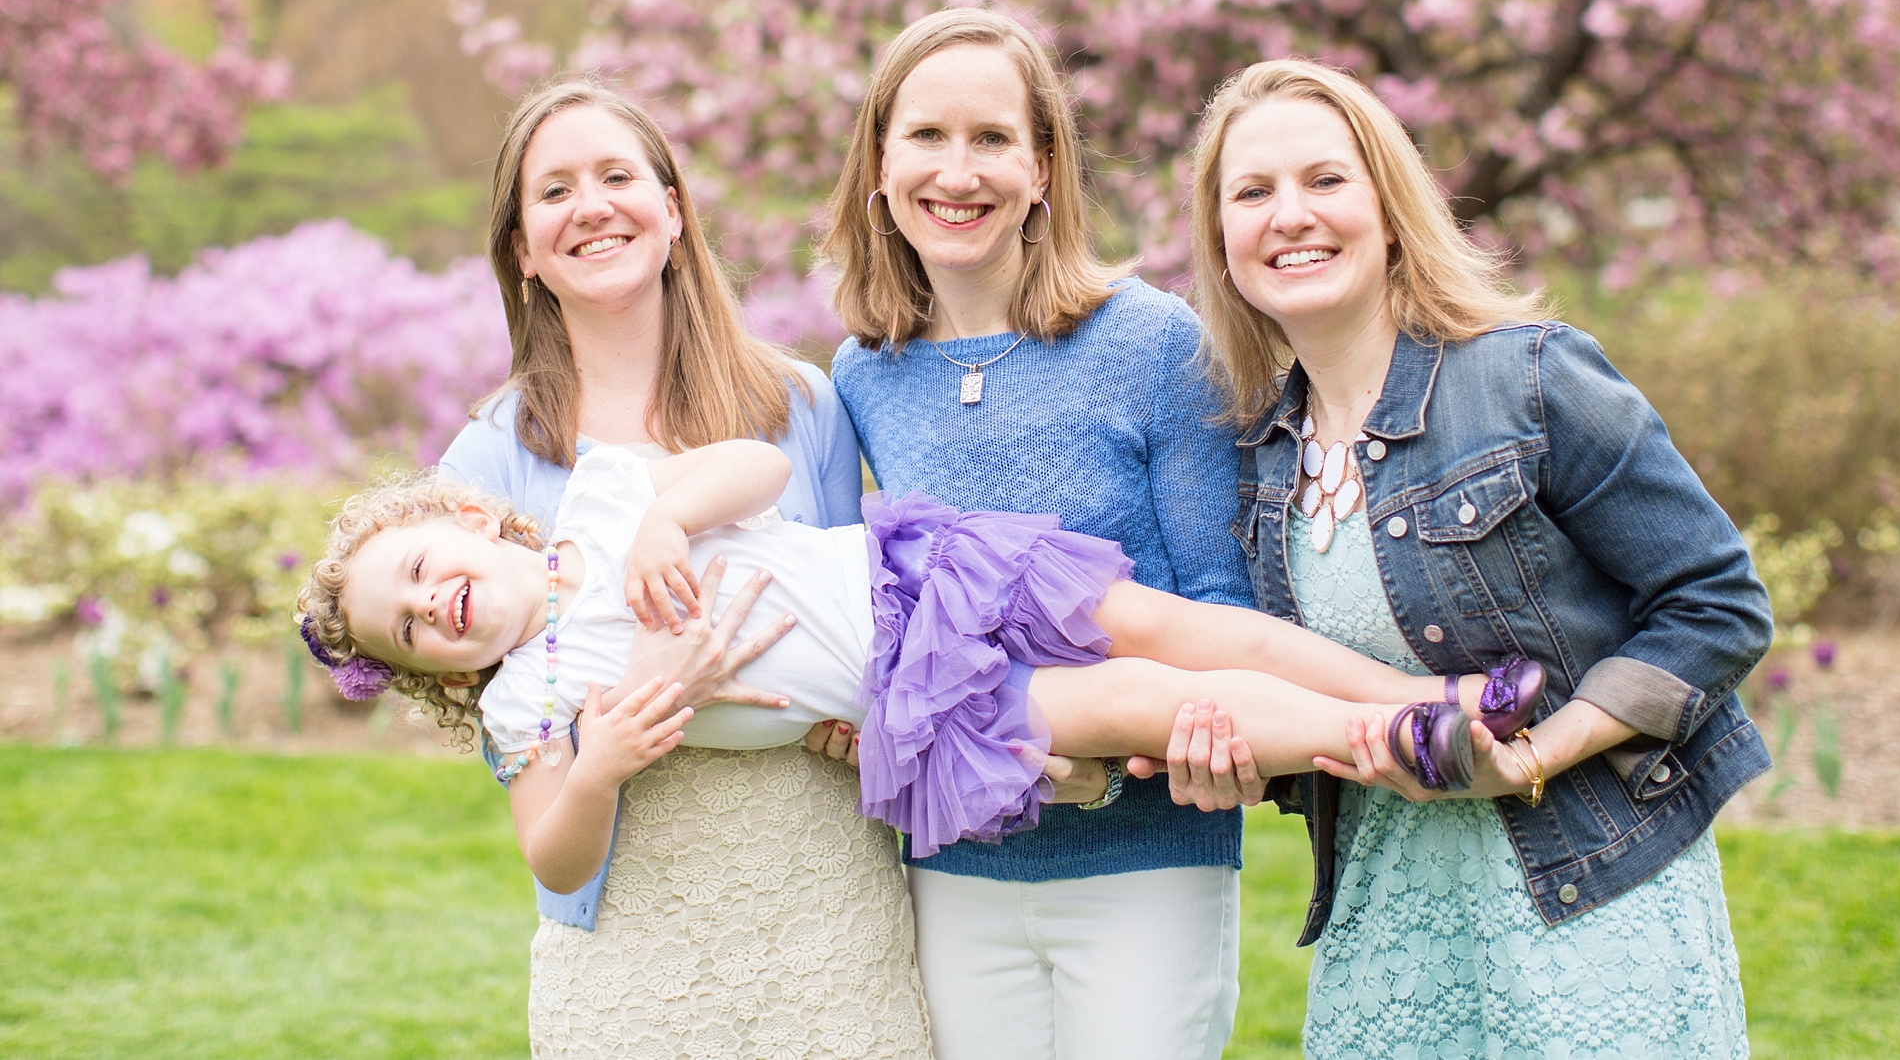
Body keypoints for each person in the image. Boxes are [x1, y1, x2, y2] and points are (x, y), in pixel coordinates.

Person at [1183, 58, 1771, 1059]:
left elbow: (1714, 601)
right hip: (1391, 922)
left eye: (1324, 179)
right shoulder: (1252, 458)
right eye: (1252, 191)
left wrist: (1537, 754)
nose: (1289, 214)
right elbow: (1317, 700)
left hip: (1586, 888)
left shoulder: (1526, 377)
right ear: (1221, 242)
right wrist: (1237, 761)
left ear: (1388, 203)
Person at [295, 440, 1549, 872]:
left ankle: (1423, 691)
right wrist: (604, 767)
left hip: (915, 570)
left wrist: (670, 517)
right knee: (1135, 702)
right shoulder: (536, 698)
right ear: (446, 673)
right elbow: (546, 847)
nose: (432, 604)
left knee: (1167, 623)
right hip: (903, 698)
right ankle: (1384, 745)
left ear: (463, 520)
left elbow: (762, 470)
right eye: (410, 629)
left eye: (414, 572)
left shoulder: (605, 506)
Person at [427, 79, 930, 1059]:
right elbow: (513, 731)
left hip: (819, 895)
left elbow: (867, 619)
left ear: (671, 207)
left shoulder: (800, 403)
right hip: (630, 919)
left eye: (617, 175)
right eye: (555, 190)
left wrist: (855, 735)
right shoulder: (482, 468)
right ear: (522, 249)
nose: (593, 205)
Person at [818, 8, 1256, 1060]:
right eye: (925, 136)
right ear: (878, 164)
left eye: (990, 138)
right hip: (953, 873)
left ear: (1043, 165)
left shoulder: (1151, 341)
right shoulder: (860, 375)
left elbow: (1223, 606)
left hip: (1145, 859)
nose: (955, 172)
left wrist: (1105, 756)